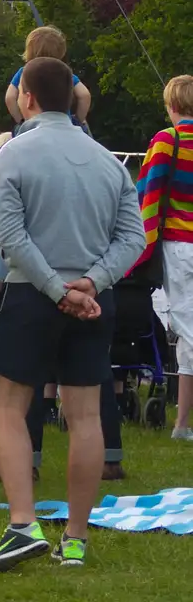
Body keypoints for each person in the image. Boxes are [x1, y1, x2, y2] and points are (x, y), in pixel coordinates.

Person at [0, 57, 146, 573]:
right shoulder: (107, 161)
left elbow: (11, 235)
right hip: (94, 296)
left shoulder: (13, 154)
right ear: (74, 99)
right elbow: (133, 238)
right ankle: (74, 539)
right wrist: (92, 282)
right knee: (86, 416)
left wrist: (58, 288)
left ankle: (23, 524)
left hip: (34, 292)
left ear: (26, 97)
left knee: (6, 407)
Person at [137, 73, 193, 442]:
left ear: (171, 106)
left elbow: (148, 193)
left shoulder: (166, 140)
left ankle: (182, 423)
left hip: (179, 246)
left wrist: (138, 248)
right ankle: (181, 424)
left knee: (187, 330)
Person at [4, 24, 91, 126]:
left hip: (33, 125)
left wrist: (21, 121)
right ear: (61, 51)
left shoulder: (24, 72)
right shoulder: (63, 73)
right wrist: (77, 121)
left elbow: (10, 97)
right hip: (62, 126)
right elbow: (84, 95)